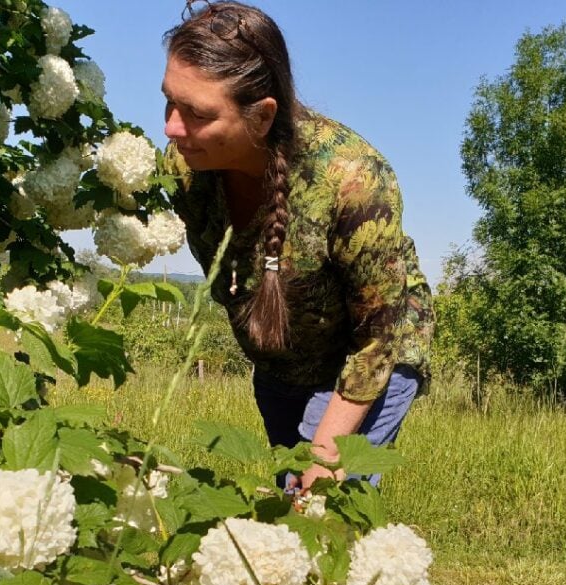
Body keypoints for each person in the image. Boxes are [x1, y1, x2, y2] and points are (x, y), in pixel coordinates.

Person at [161, 0, 434, 491]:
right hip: (282, 362)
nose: (172, 128)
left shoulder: (352, 179)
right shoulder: (185, 166)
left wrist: (326, 456)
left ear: (262, 116)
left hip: (370, 354)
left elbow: (377, 339)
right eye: (169, 102)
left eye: (197, 114)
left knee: (320, 499)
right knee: (291, 489)